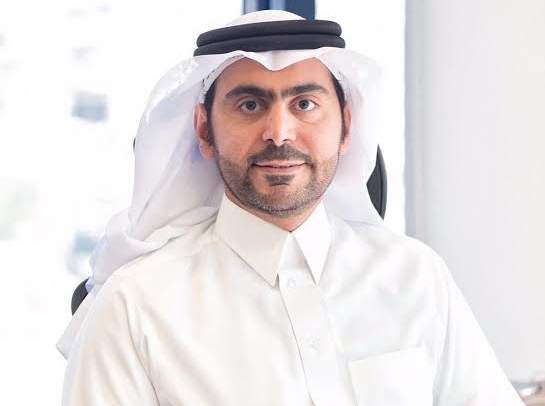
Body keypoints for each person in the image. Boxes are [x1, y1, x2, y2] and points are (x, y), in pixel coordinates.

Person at [59, 10, 524, 406]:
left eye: (304, 103)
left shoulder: (415, 275)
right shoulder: (134, 305)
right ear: (203, 130)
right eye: (249, 105)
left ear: (346, 127)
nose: (279, 133)